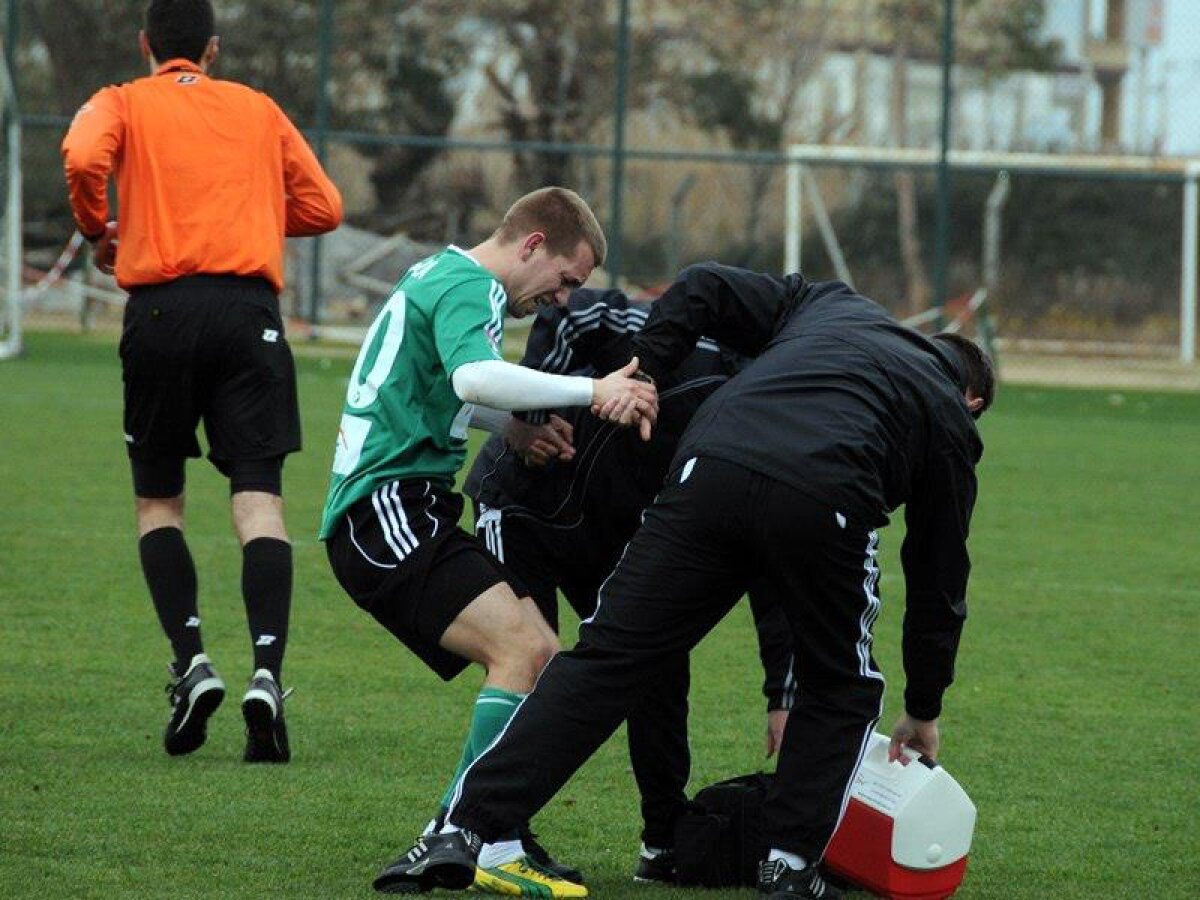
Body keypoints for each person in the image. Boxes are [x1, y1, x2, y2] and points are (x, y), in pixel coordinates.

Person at [371, 262, 995, 900]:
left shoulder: (831, 304)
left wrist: (646, 373)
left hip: (708, 465)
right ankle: (789, 865)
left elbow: (704, 285)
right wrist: (923, 706)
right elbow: (938, 579)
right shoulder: (949, 414)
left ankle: (463, 827)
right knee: (842, 686)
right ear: (973, 400)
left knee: (609, 660)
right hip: (827, 493)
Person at [318, 187, 657, 898]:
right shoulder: (472, 284)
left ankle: (484, 832)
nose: (562, 300)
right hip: (386, 511)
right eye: (566, 279)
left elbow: (443, 389)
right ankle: (466, 832)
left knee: (539, 653)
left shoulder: (440, 274)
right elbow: (474, 375)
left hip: (396, 510)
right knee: (526, 650)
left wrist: (511, 429)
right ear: (533, 243)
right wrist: (593, 390)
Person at [61, 0, 343, 763]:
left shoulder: (121, 100)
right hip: (250, 313)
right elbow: (325, 205)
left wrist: (98, 230)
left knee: (159, 501)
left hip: (160, 314)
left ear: (146, 43)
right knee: (259, 502)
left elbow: (84, 158)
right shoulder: (256, 108)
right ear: (213, 49)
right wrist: (239, 208)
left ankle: (191, 664)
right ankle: (266, 674)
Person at [464, 286, 798, 883]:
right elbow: (571, 310)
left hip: (618, 537)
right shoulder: (684, 351)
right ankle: (486, 831)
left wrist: (783, 693)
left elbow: (771, 558)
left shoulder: (773, 430)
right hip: (521, 506)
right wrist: (532, 418)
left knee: (659, 665)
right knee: (531, 659)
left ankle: (663, 839)